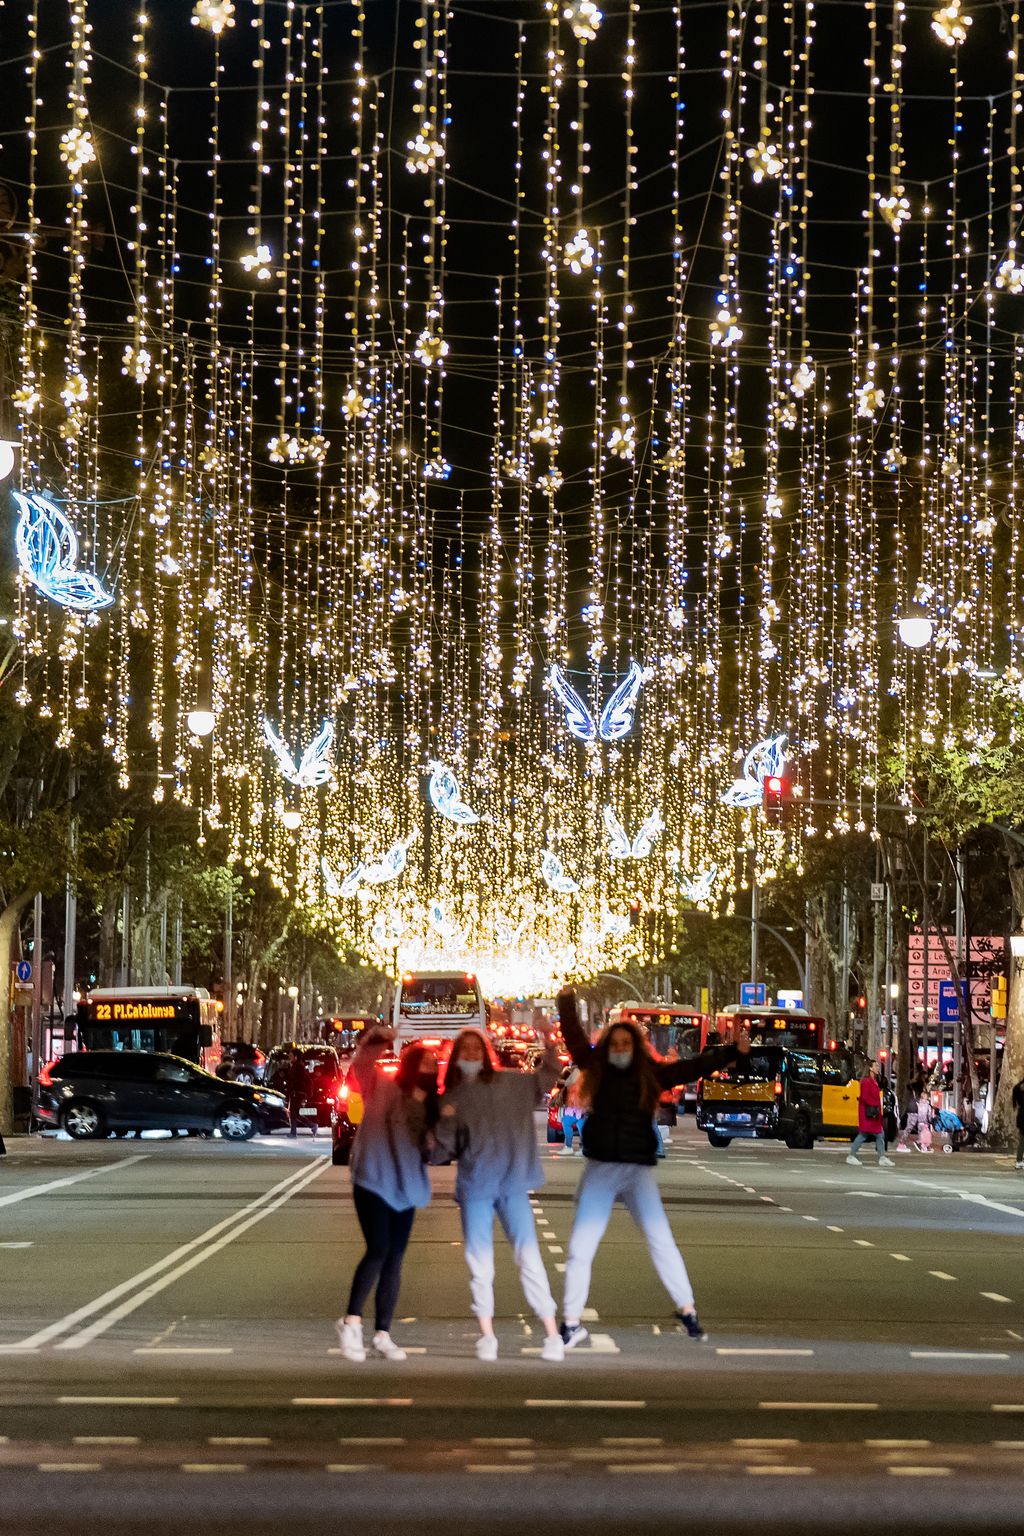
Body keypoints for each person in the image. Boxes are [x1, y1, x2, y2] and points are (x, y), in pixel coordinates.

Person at [556, 990, 746, 1348]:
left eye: (628, 1043)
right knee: (581, 1247)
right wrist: (566, 1000)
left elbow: (692, 1068)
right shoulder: (595, 1068)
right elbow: (574, 1037)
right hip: (600, 1168)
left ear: (638, 1047)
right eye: (616, 1043)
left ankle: (687, 1310)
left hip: (636, 1172)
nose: (621, 1049)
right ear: (607, 1045)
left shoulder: (652, 1074)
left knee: (661, 1241)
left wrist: (732, 1053)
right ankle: (570, 1322)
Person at [438, 1023, 565, 1362]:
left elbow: (548, 1074)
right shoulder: (451, 1098)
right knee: (480, 1266)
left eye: (476, 1049)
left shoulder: (512, 1083)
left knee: (529, 1260)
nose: (470, 1055)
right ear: (455, 1058)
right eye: (464, 1050)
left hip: (511, 1184)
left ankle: (552, 1333)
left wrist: (548, 1040)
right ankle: (487, 1335)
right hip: (476, 1187)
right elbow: (440, 1150)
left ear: (486, 1053)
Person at [336, 1028, 439, 1363]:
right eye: (422, 1061)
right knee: (378, 1248)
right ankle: (351, 1321)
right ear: (409, 1064)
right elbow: (362, 1063)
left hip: (406, 1186)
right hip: (372, 1178)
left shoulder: (432, 1105)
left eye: (433, 1063)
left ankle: (382, 1334)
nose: (429, 1067)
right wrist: (377, 1040)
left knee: (394, 1258)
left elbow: (436, 1149)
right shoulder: (382, 1085)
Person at [846, 1059, 895, 1168]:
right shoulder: (866, 1082)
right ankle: (852, 1155)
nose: (878, 1068)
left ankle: (882, 1157)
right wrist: (875, 1105)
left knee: (879, 1134)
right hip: (868, 1113)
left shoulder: (874, 1081)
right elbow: (864, 1097)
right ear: (870, 1068)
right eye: (876, 1066)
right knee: (864, 1134)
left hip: (873, 1114)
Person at [559, 1067, 585, 1156]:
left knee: (566, 1122)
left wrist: (562, 1081)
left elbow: (570, 1083)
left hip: (576, 1104)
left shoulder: (577, 1071)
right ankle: (582, 1148)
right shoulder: (584, 1070)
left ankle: (569, 1147)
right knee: (580, 1125)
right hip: (579, 1105)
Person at [284, 1048, 309, 1138]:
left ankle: (311, 1126)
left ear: (296, 1057)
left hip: (298, 1092)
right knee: (294, 1113)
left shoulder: (298, 1066)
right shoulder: (294, 1065)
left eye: (291, 1056)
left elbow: (297, 1080)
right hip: (295, 1092)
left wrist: (292, 1089)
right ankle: (294, 1131)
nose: (289, 1058)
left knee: (294, 1113)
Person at [1013, 1076, 1024, 1171]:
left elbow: (1015, 1103)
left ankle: (1019, 1161)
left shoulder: (1018, 1087)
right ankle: (1019, 1161)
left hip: (1021, 1116)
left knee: (1022, 1140)